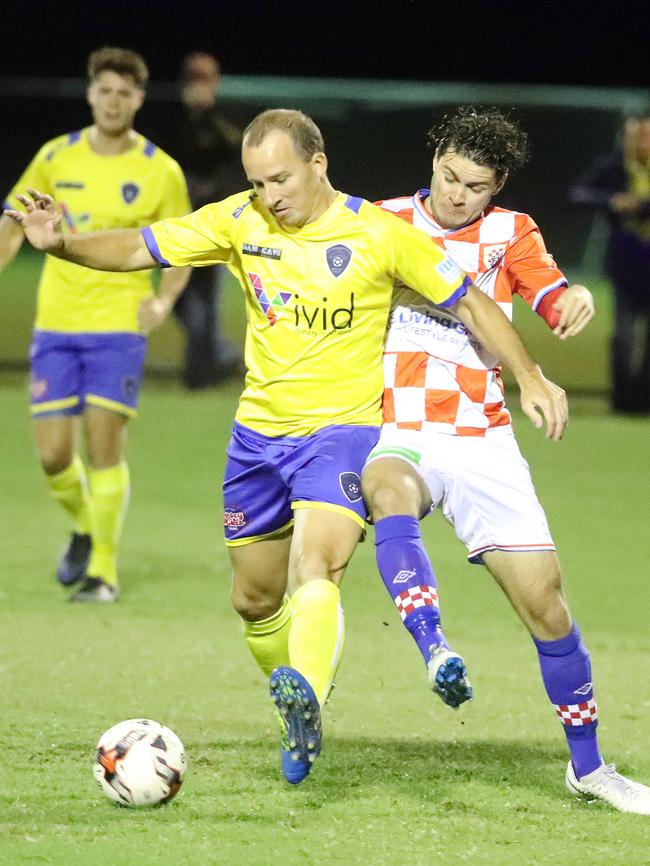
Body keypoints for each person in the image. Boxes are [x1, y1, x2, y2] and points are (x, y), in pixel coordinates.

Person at [7, 108, 568, 785]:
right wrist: (61, 241)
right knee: (254, 599)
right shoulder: (239, 221)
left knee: (319, 568)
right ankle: (295, 696)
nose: (270, 195)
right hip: (256, 441)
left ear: (317, 163)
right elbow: (138, 248)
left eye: (279, 178)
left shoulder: (376, 234)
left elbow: (473, 302)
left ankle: (307, 685)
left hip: (341, 433)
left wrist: (531, 376)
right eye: (257, 181)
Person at [361, 106, 650, 814]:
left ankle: (588, 768)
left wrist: (571, 299)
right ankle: (436, 650)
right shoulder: (379, 219)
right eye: (449, 177)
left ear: (499, 186)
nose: (458, 195)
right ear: (434, 159)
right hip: (393, 419)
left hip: (481, 434)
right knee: (389, 490)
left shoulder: (510, 233)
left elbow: (550, 293)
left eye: (476, 186)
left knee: (547, 608)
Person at [0, 47, 191, 602]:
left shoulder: (160, 170)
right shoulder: (55, 157)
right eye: (104, 90)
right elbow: (15, 220)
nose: (112, 101)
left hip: (117, 326)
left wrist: (163, 303)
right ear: (90, 94)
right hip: (57, 324)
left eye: (124, 92)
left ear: (138, 99)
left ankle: (102, 572)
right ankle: (87, 524)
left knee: (104, 444)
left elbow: (183, 247)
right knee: (54, 455)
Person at [166, 51, 244, 388]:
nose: (199, 87)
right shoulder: (172, 118)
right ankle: (223, 356)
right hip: (177, 222)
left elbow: (236, 151)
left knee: (207, 303)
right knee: (179, 301)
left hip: (215, 223)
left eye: (205, 79)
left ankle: (200, 376)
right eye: (194, 79)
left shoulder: (223, 117)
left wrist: (209, 113)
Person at [570, 109, 650, 414]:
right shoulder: (615, 166)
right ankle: (623, 401)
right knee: (624, 336)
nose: (642, 142)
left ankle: (644, 402)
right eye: (637, 135)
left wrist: (639, 205)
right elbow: (577, 194)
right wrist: (610, 201)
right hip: (627, 265)